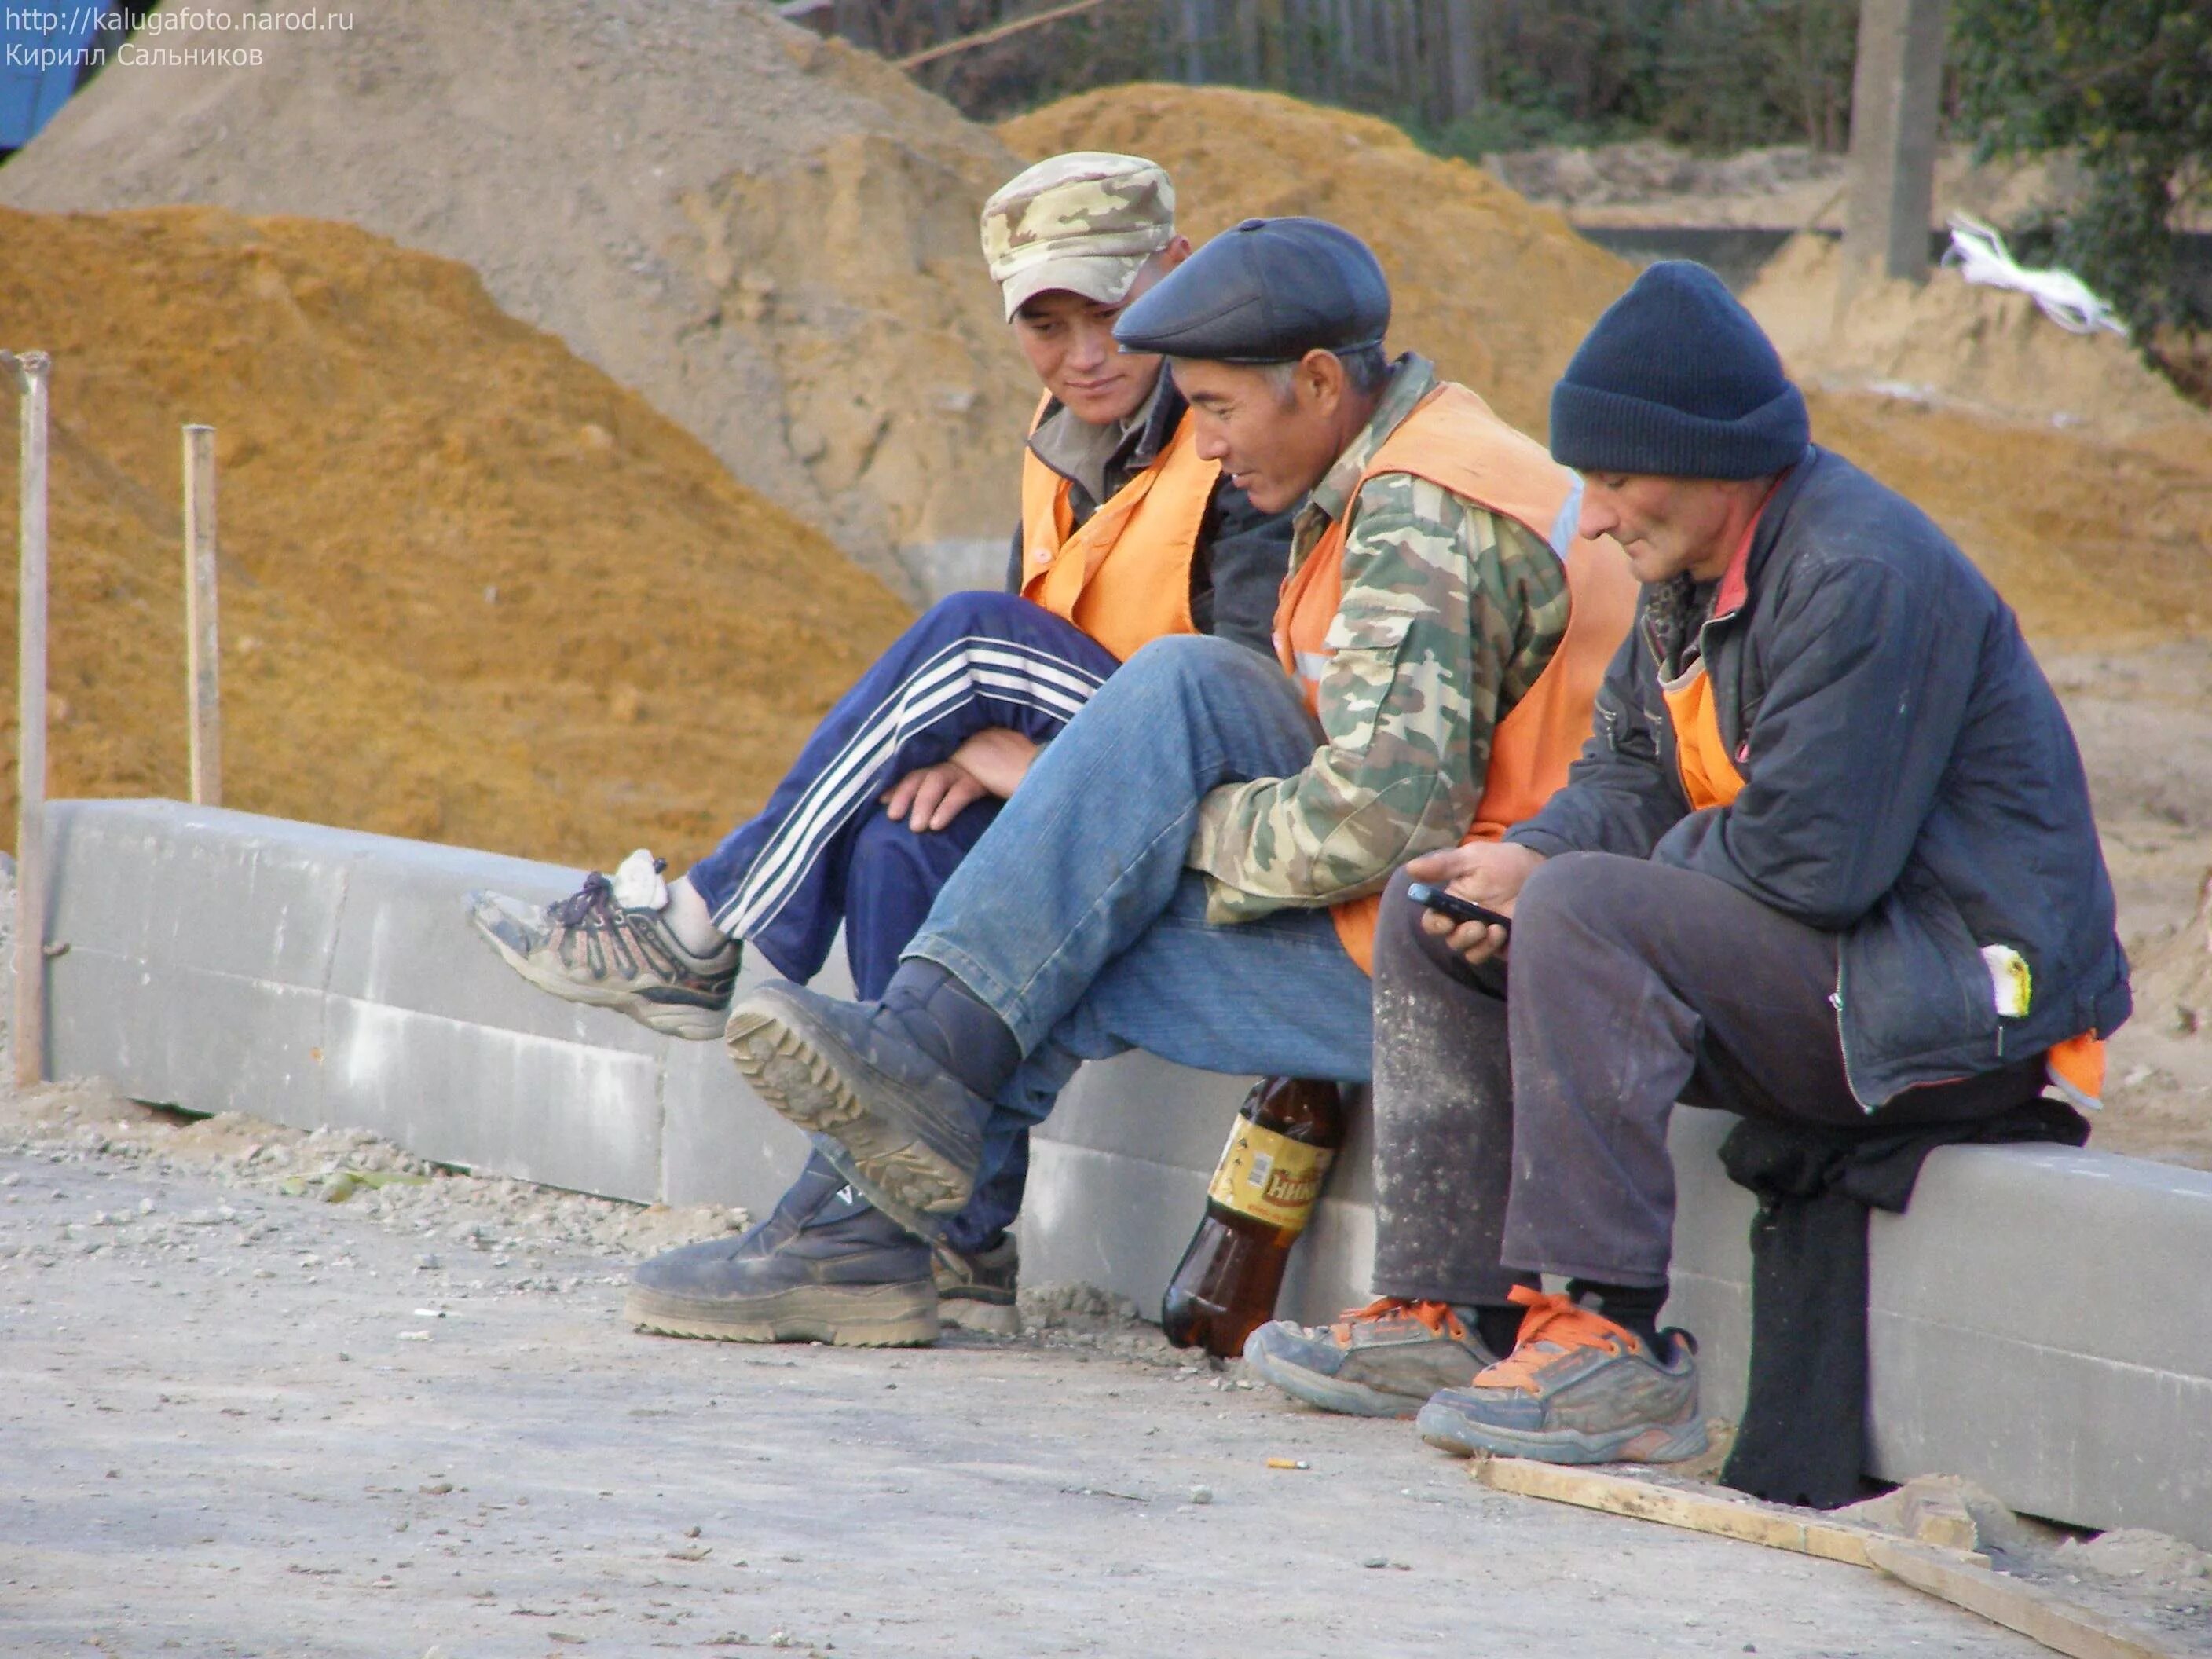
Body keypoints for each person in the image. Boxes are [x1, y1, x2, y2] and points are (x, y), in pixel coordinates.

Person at [1247, 262, 2130, 1466]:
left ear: (1718, 461)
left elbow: (1813, 865)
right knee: (1441, 905)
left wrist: (1562, 889)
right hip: (1824, 969)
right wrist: (1530, 863)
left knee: (1583, 908)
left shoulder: (1857, 574)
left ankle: (1612, 1346)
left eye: (1614, 482)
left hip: (1950, 1006)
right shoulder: (1687, 573)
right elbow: (1625, 780)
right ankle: (1452, 1311)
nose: (1596, 516)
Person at [710, 218, 1638, 1336]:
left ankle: (865, 1228)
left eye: (1215, 409)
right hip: (1445, 905)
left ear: (1314, 380)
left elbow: (1380, 827)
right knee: (1183, 686)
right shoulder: (1402, 456)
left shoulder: (1424, 511)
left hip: (1487, 947)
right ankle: (885, 1155)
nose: (1201, 447)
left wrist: (1145, 825)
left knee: (1071, 938)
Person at [466, 152, 1295, 1346]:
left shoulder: (1234, 434)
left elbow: (1233, 691)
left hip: (1215, 786)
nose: (1083, 353)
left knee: (961, 644)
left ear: (1177, 272)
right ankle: (936, 1236)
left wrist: (1016, 750)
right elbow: (1049, 640)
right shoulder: (1066, 444)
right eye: (1046, 324)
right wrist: (983, 755)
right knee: (906, 840)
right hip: (1095, 766)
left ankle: (701, 928)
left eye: (1110, 312)